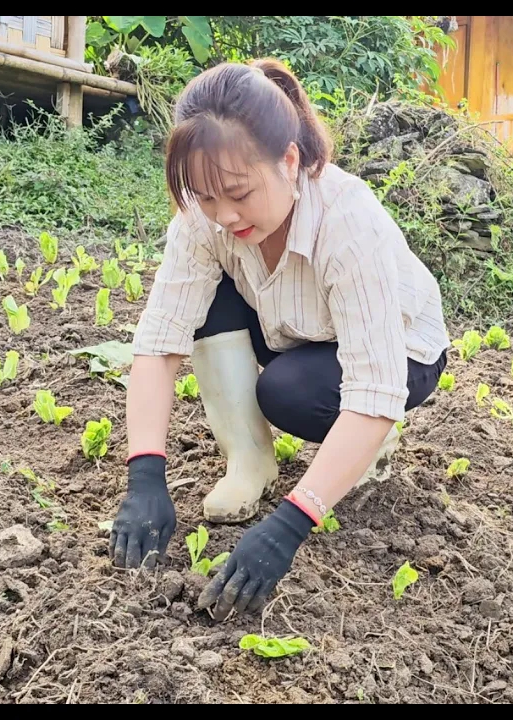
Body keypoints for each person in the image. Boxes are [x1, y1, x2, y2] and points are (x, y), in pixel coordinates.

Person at [107, 58, 451, 618]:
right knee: (204, 299)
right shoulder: (206, 218)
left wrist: (293, 522)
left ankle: (370, 447)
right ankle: (249, 459)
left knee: (288, 393)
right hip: (290, 325)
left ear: (289, 161)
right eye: (205, 196)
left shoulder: (349, 221)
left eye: (239, 193)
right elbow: (160, 341)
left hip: (400, 354)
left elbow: (374, 387)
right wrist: (145, 472)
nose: (223, 215)